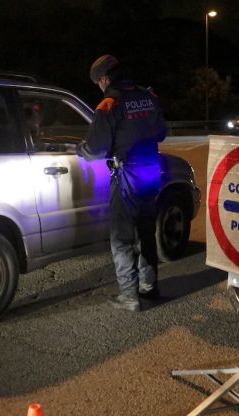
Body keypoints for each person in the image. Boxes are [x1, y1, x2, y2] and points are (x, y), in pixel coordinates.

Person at [77, 54, 167, 312]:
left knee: (121, 236)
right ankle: (149, 286)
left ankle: (129, 295)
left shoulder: (109, 104)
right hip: (152, 171)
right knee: (146, 231)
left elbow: (95, 149)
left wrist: (80, 149)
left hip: (127, 174)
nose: (101, 88)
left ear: (104, 78)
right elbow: (161, 132)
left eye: (99, 83)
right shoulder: (149, 97)